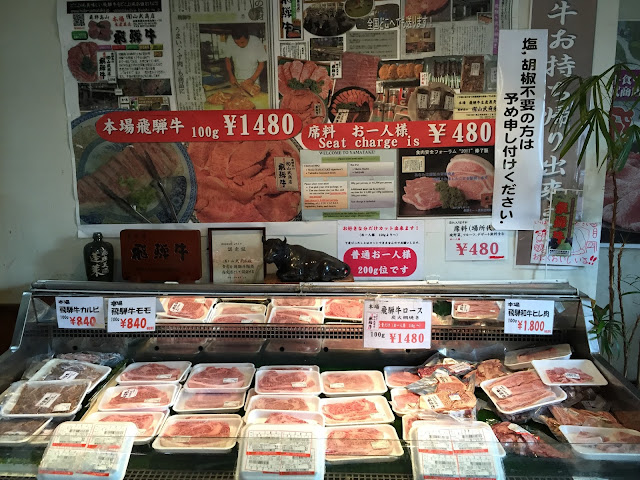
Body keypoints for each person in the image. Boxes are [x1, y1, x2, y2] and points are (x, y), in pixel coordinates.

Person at [223, 25, 267, 92]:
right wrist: (231, 75)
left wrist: (252, 79)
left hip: (253, 79)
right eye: (236, 43)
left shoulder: (256, 42)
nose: (240, 45)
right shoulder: (230, 40)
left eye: (242, 42)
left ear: (248, 37)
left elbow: (261, 64)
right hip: (237, 79)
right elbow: (227, 59)